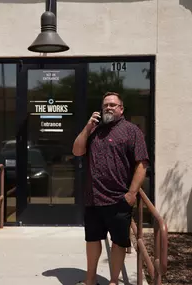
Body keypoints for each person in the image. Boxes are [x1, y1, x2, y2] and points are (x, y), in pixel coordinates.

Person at [72, 92, 149, 285]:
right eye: (105, 104)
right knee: (92, 240)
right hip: (93, 198)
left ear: (121, 109)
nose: (108, 108)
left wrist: (131, 194)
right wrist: (88, 126)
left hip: (118, 199)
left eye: (113, 105)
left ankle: (113, 281)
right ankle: (90, 280)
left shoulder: (132, 131)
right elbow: (77, 151)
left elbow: (142, 164)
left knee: (118, 243)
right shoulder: (94, 131)